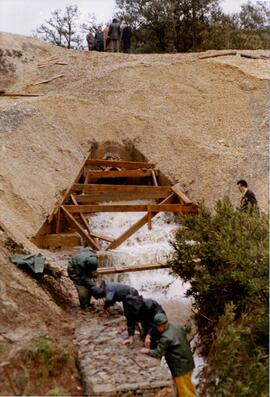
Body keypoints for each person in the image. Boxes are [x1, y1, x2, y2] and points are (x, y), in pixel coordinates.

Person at [140, 313, 196, 397]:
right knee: (188, 388)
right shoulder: (178, 327)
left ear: (160, 326)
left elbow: (158, 353)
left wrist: (147, 351)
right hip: (188, 363)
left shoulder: (165, 337)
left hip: (180, 369)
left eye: (157, 327)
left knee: (185, 393)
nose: (156, 329)